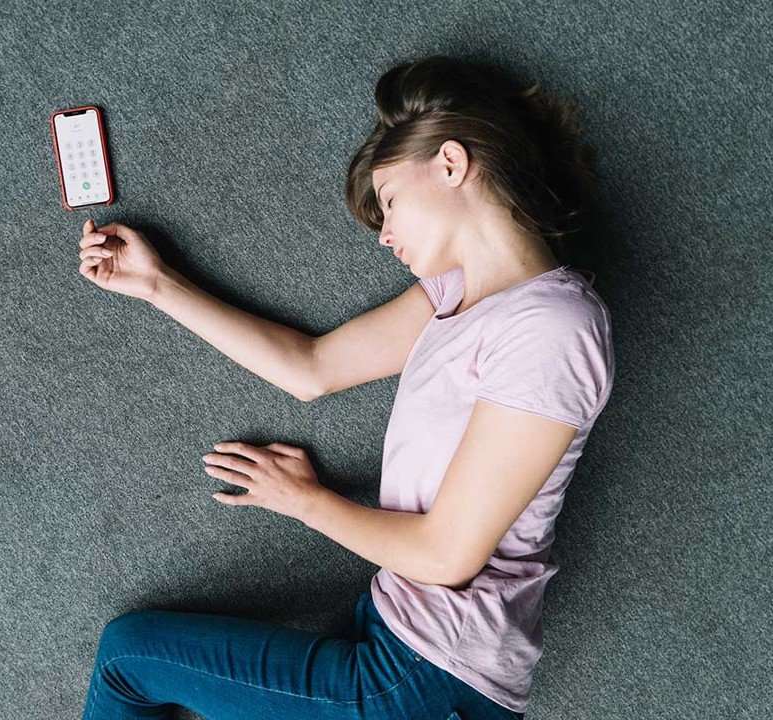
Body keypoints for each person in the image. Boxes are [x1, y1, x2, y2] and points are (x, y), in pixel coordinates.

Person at [75, 55, 614, 720]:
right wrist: (157, 284)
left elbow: (447, 554)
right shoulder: (454, 296)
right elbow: (311, 367)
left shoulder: (554, 327)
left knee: (128, 659)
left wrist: (304, 501)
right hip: (403, 645)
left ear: (450, 164)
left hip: (432, 673)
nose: (384, 235)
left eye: (389, 203)